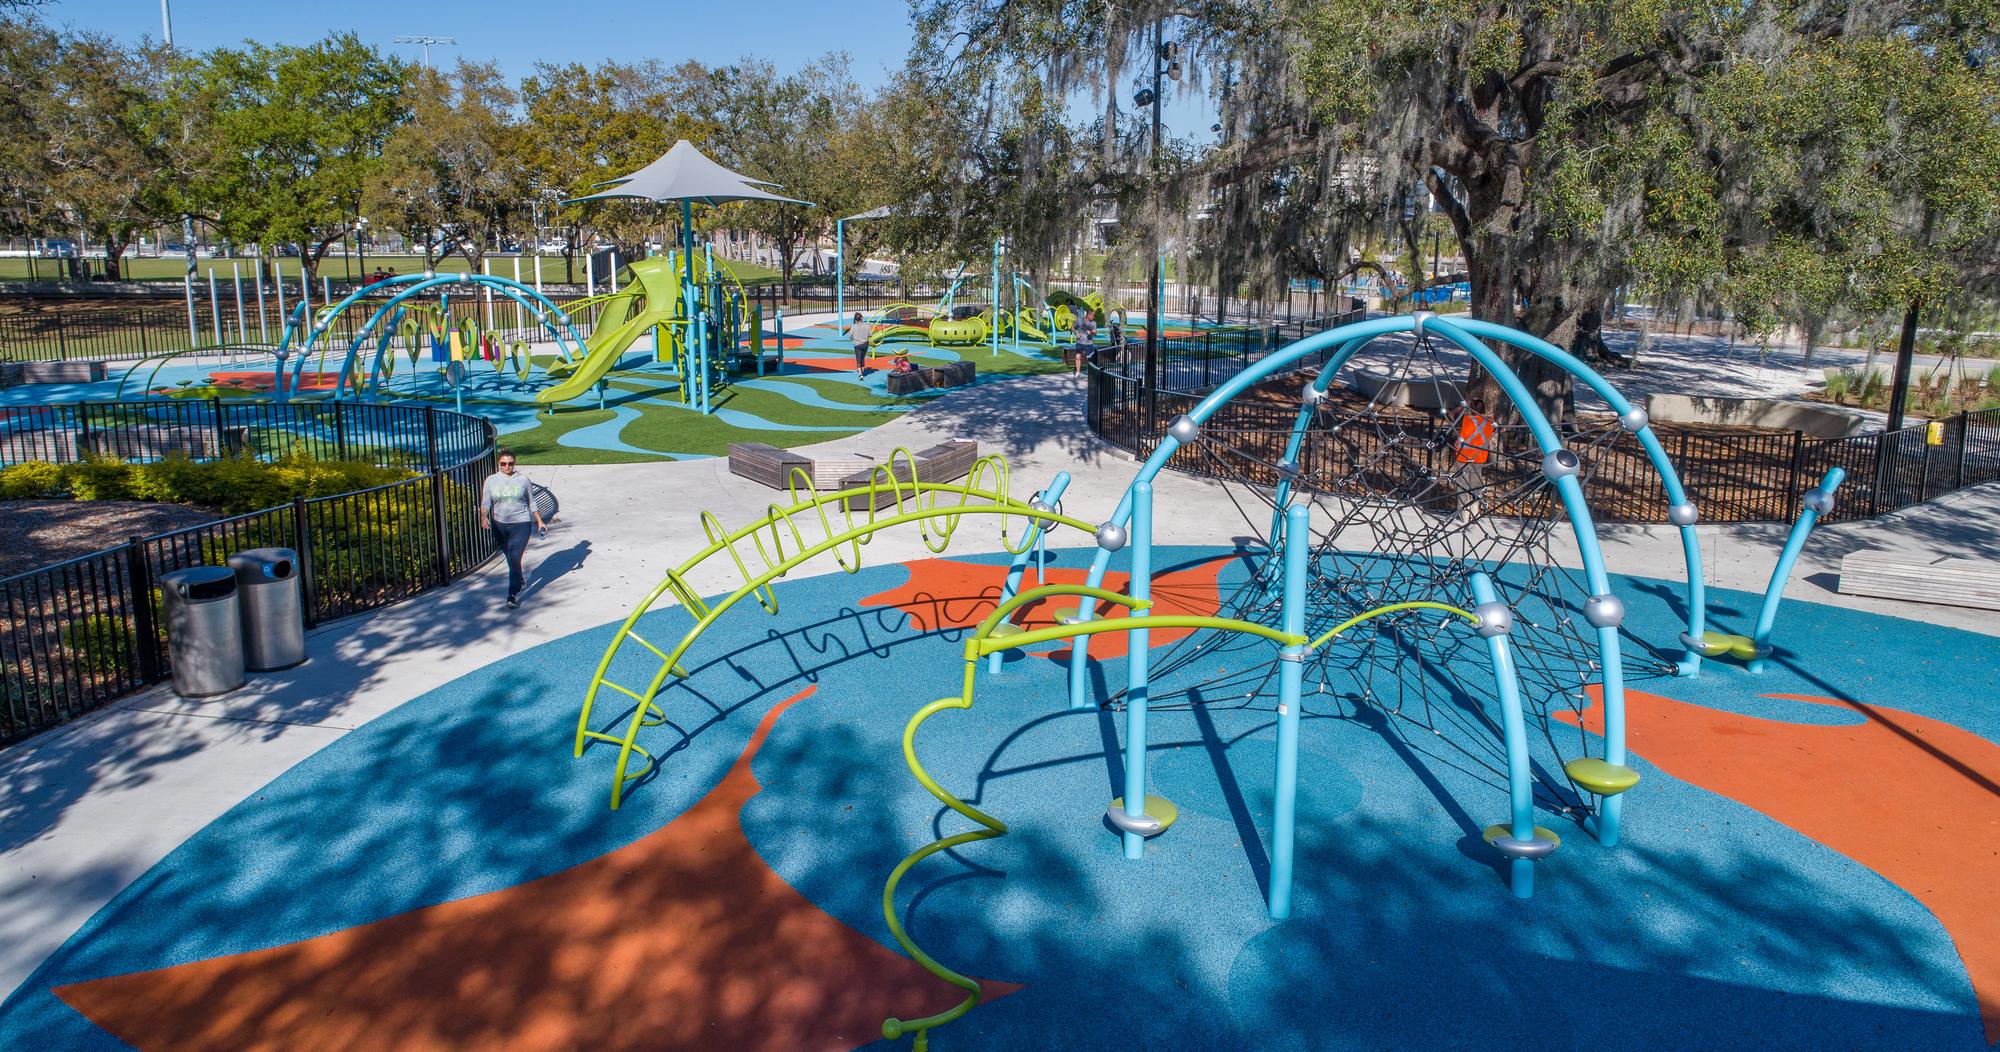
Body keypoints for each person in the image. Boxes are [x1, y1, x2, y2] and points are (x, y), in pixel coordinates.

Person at [479, 448, 547, 609]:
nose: (507, 467)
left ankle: (512, 594)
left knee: (515, 557)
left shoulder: (523, 480)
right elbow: (486, 502)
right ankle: (520, 579)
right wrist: (483, 517)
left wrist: (539, 521)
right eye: (503, 464)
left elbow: (531, 502)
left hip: (521, 524)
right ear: (498, 464)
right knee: (510, 558)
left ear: (514, 464)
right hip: (499, 524)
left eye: (510, 464)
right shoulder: (491, 480)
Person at [1451, 396, 1497, 521]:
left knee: (1462, 486)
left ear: (1471, 408)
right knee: (1476, 486)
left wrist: (1462, 406)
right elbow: (1499, 429)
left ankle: (1464, 515)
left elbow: (1451, 414)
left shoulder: (1465, 419)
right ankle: (1475, 512)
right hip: (1479, 457)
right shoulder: (1490, 421)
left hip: (1463, 457)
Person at [845, 311, 873, 377]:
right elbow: (870, 335)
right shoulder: (867, 326)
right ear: (862, 318)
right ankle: (862, 371)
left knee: (858, 358)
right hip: (865, 344)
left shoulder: (853, 327)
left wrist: (855, 338)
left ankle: (860, 373)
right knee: (862, 358)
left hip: (857, 344)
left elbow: (850, 336)